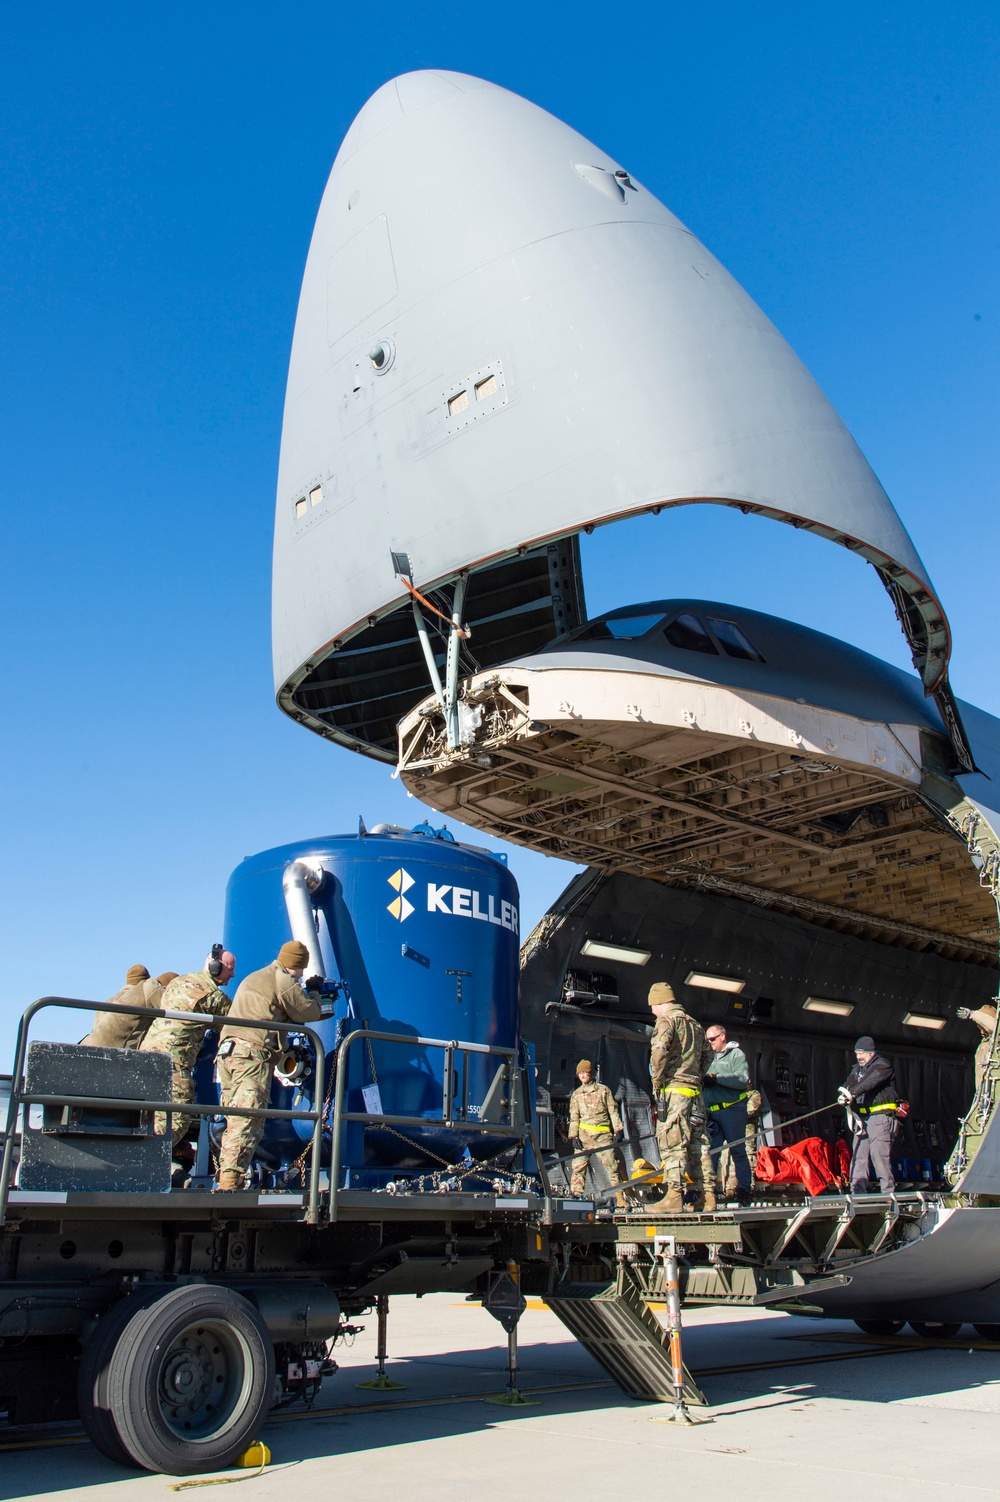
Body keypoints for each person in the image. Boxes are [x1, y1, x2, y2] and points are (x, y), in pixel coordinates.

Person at [215, 941, 323, 1191]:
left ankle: (228, 1175)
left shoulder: (255, 977)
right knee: (248, 1118)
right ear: (296, 965)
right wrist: (315, 993)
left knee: (234, 1117)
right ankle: (230, 1180)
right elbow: (308, 1012)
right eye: (301, 969)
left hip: (228, 1053)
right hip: (251, 1055)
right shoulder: (283, 979)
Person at [140, 950, 236, 1147]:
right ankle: (148, 1160)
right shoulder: (213, 997)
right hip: (173, 1061)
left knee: (150, 1117)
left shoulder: (179, 981)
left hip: (147, 1054)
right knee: (177, 1121)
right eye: (230, 969)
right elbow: (238, 1025)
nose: (232, 975)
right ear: (215, 967)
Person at [644, 982, 715, 1214]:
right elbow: (708, 1054)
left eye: (653, 1006)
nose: (652, 1011)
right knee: (699, 1145)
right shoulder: (695, 1024)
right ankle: (708, 1197)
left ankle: (674, 1197)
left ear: (660, 1002)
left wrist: (657, 1079)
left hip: (674, 1093)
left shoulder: (666, 1021)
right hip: (695, 1093)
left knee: (673, 1144)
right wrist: (696, 1075)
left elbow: (659, 1051)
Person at [838, 1035, 898, 1194]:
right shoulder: (857, 1069)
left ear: (871, 1053)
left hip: (880, 1118)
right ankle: (857, 1193)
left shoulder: (883, 1066)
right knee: (859, 1156)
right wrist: (844, 1093)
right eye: (857, 1053)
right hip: (862, 1120)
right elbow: (850, 1082)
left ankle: (887, 1194)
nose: (858, 1057)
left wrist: (854, 1093)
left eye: (861, 1053)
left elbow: (870, 1082)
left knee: (879, 1157)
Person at [703, 1023, 753, 1205]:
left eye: (712, 1039)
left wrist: (716, 1079)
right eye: (707, 1040)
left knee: (737, 1150)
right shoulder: (707, 1058)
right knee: (711, 1153)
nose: (709, 1043)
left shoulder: (736, 1055)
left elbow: (742, 1080)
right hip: (713, 1113)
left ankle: (744, 1190)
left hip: (732, 1110)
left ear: (722, 1037)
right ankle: (709, 1192)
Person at [567, 1059, 627, 1205]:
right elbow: (574, 1116)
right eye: (580, 1073)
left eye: (585, 1072)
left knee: (612, 1167)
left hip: (602, 1137)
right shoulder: (576, 1095)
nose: (582, 1075)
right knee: (578, 1168)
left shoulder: (603, 1090)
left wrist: (618, 1130)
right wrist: (573, 1135)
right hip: (584, 1138)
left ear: (590, 1073)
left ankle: (620, 1198)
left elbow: (612, 1111)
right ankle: (575, 1197)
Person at [81, 966, 177, 1050]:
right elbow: (177, 1007)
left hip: (87, 1048)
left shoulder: (110, 1000)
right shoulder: (149, 989)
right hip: (115, 1055)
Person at [957, 1002, 999, 1092]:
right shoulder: (984, 1044)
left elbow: (994, 1027)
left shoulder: (997, 1041)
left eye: (980, 1024)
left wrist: (973, 1014)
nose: (978, 1026)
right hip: (983, 1095)